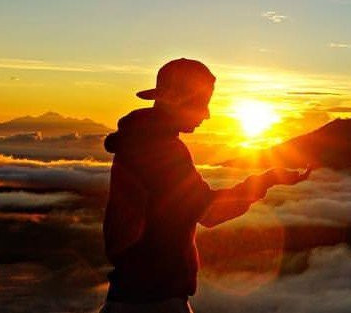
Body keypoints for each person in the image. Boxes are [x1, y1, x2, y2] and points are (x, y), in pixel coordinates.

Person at [100, 58, 310, 313]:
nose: (207, 114)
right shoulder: (161, 149)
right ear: (174, 98)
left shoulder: (138, 141)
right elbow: (208, 211)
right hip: (155, 301)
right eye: (201, 103)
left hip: (130, 295)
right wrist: (267, 180)